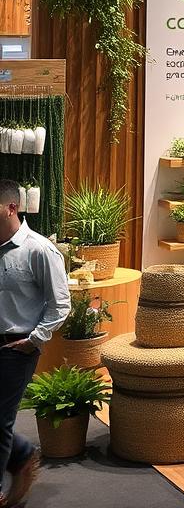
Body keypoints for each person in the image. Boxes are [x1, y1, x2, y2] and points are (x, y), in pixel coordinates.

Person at [0, 177, 70, 507]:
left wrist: (35, 340)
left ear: (11, 207)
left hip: (16, 348)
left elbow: (60, 303)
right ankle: (24, 453)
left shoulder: (39, 249)